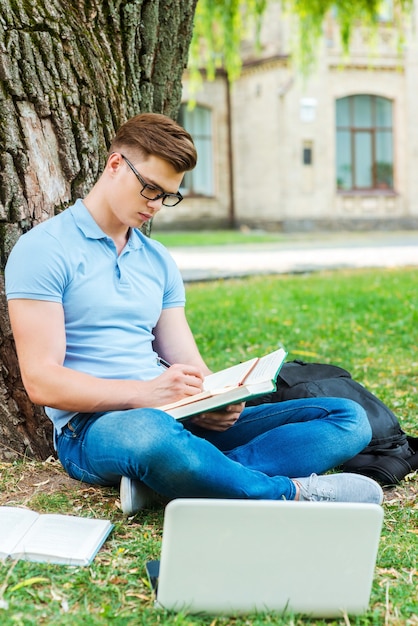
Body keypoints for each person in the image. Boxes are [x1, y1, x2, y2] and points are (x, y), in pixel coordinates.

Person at [5, 113, 383, 515]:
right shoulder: (43, 249)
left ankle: (174, 481)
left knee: (347, 418)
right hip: (95, 428)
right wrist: (142, 395)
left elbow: (185, 357)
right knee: (150, 434)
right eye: (149, 189)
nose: (155, 205)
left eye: (167, 195)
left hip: (175, 415)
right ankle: (285, 495)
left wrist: (215, 398)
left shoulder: (156, 259)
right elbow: (42, 381)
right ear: (115, 165)